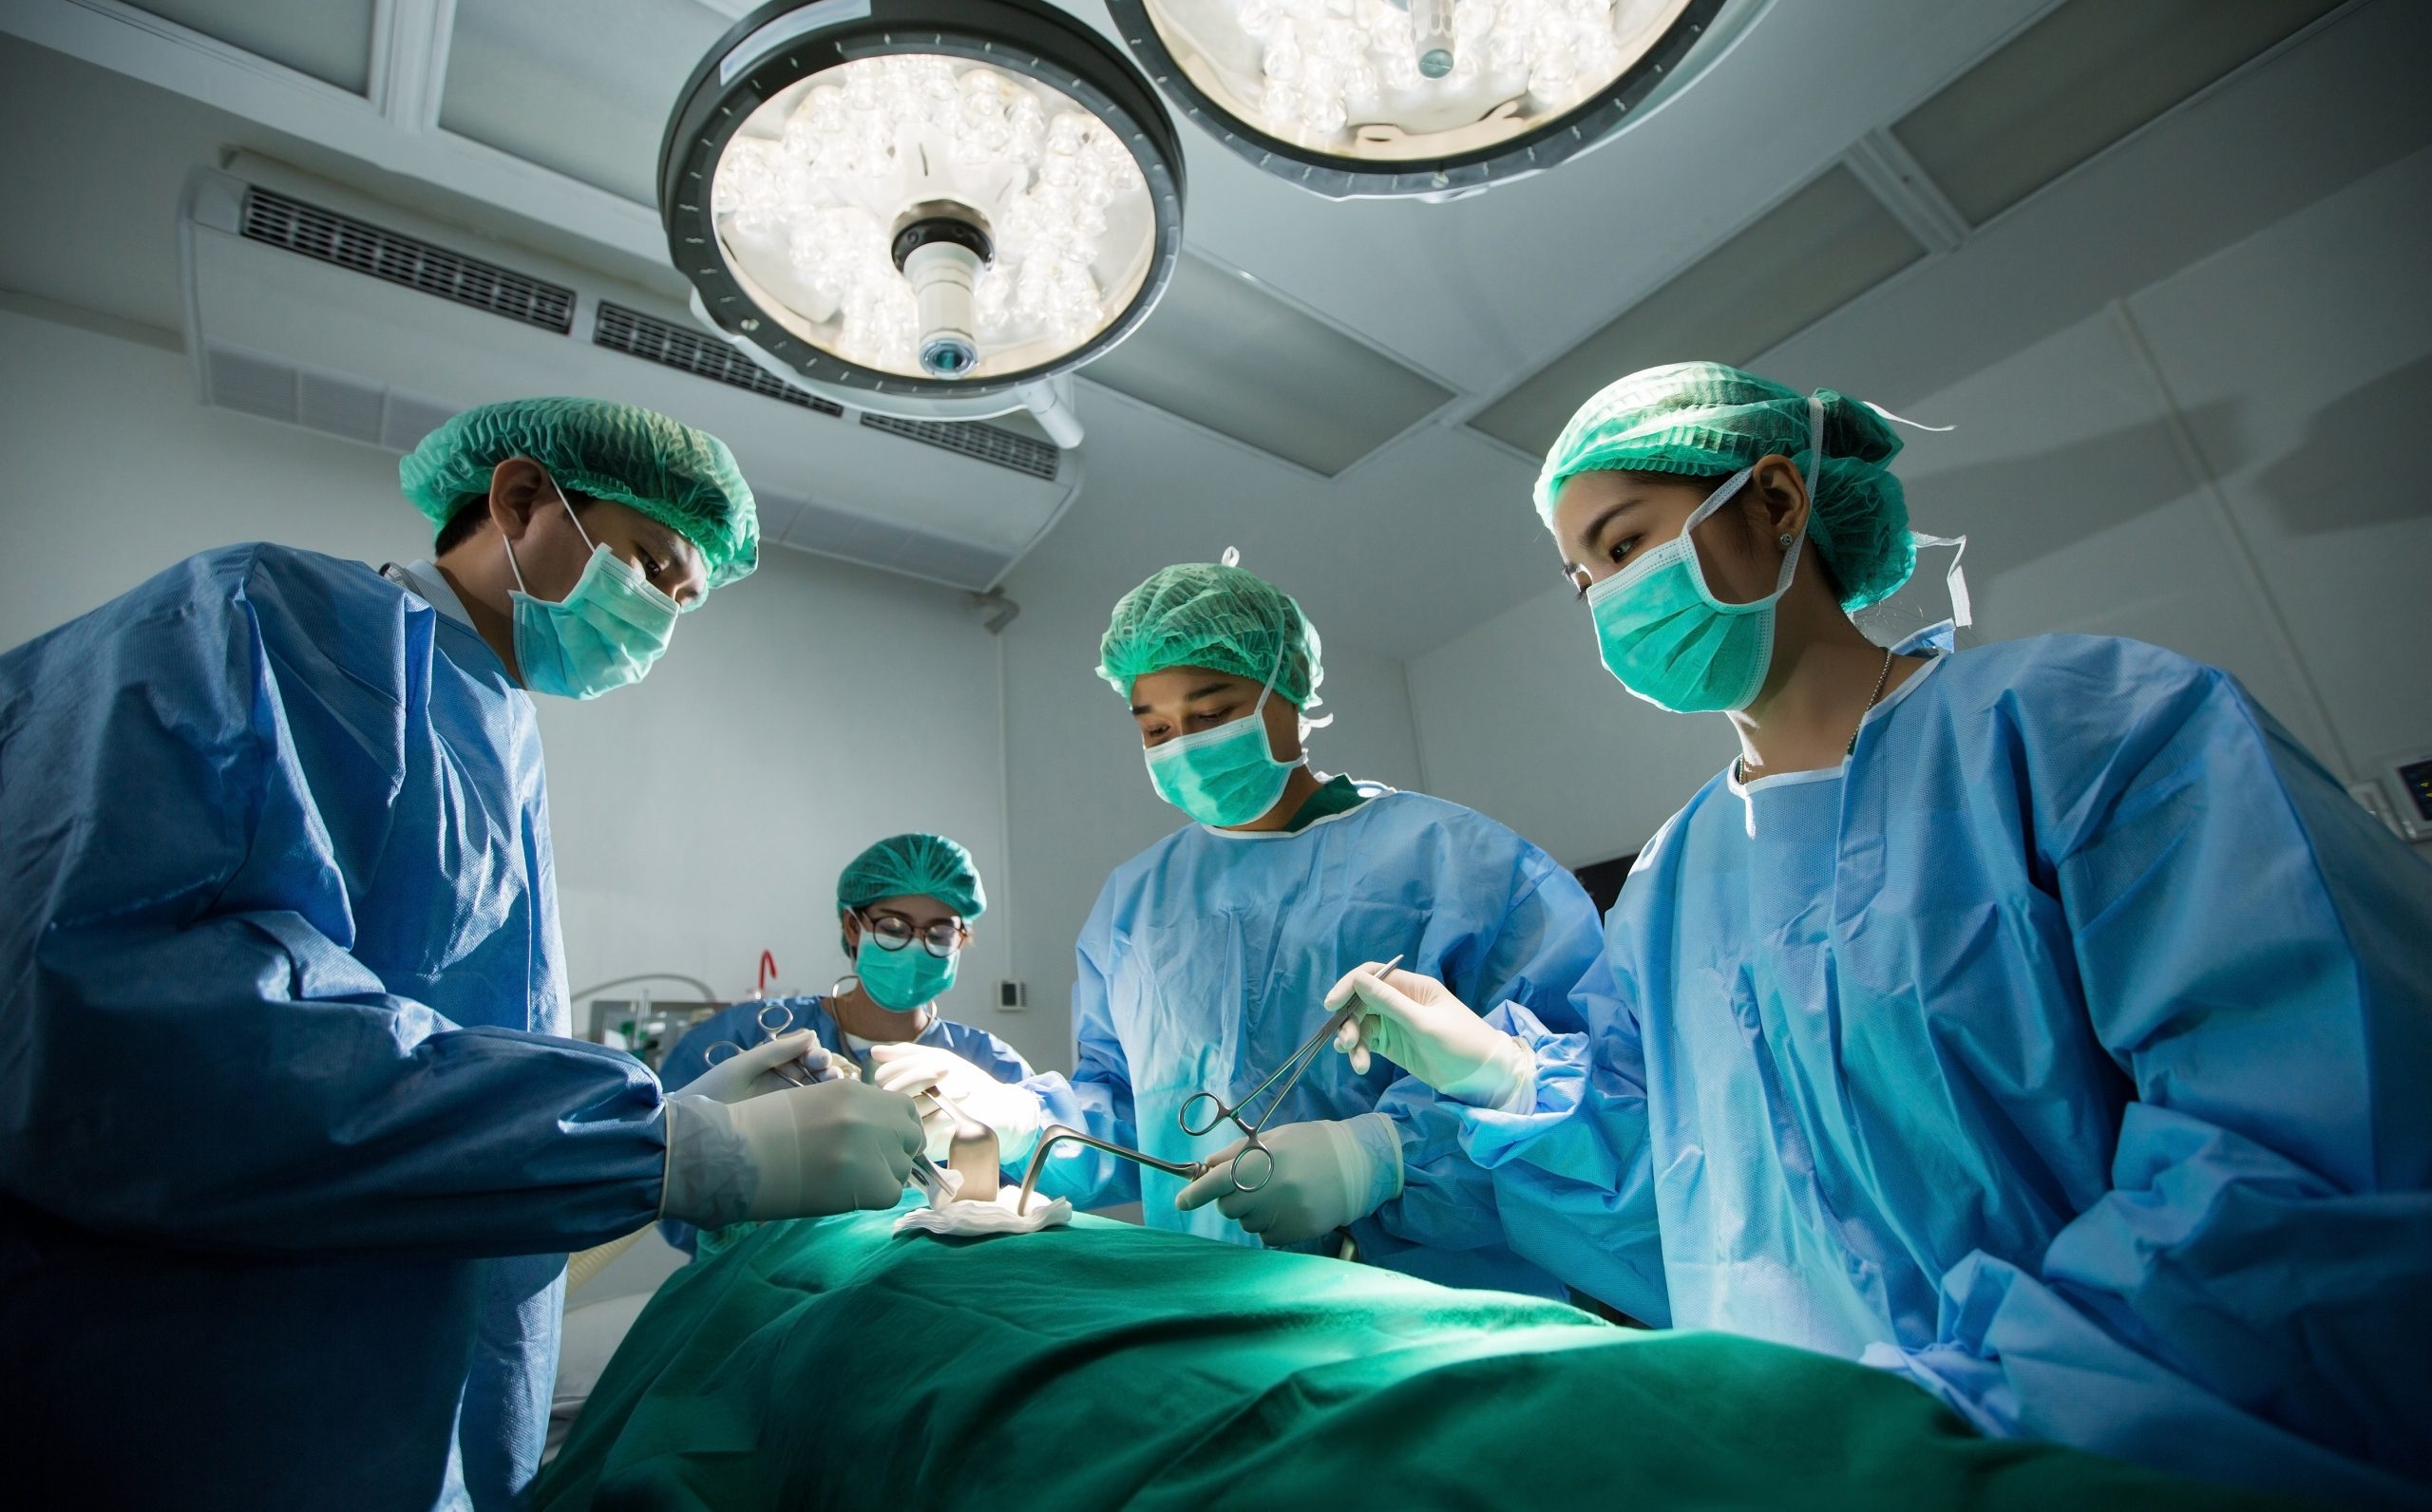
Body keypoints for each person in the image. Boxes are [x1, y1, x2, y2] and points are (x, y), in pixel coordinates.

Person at [1330, 363, 2432, 1505]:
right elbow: (1677, 1184)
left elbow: (2294, 1150)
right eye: (1580, 579)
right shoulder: (1672, 880)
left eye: (1623, 547)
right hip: (1803, 1467)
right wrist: (1503, 1075)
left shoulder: (2090, 733)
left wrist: (1950, 1416)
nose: (1606, 598)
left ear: (1773, 504)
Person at [0, 397, 924, 1512]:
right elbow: (147, 1046)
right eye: (650, 567)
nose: (659, 623)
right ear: (523, 499)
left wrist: (658, 1119)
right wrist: (673, 1147)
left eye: (684, 604)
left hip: (412, 1404)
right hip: (202, 1403)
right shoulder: (268, 623)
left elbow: (453, 1049)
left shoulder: (494, 734)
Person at [1016, 557, 1606, 1296]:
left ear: (1286, 682)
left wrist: (1379, 1158)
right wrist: (1018, 1120)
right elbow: (1126, 1113)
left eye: (1210, 713)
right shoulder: (1131, 906)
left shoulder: (1460, 865)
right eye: (1157, 727)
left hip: (1435, 1311)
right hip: (1210, 1302)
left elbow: (1574, 1093)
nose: (1184, 746)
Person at [657, 831, 1053, 1248]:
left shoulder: (987, 1064)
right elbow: (664, 1169)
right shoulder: (750, 1037)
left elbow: (1029, 1196)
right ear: (852, 925)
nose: (916, 946)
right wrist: (752, 1210)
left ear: (961, 940)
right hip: (763, 1285)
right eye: (894, 926)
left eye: (939, 933)